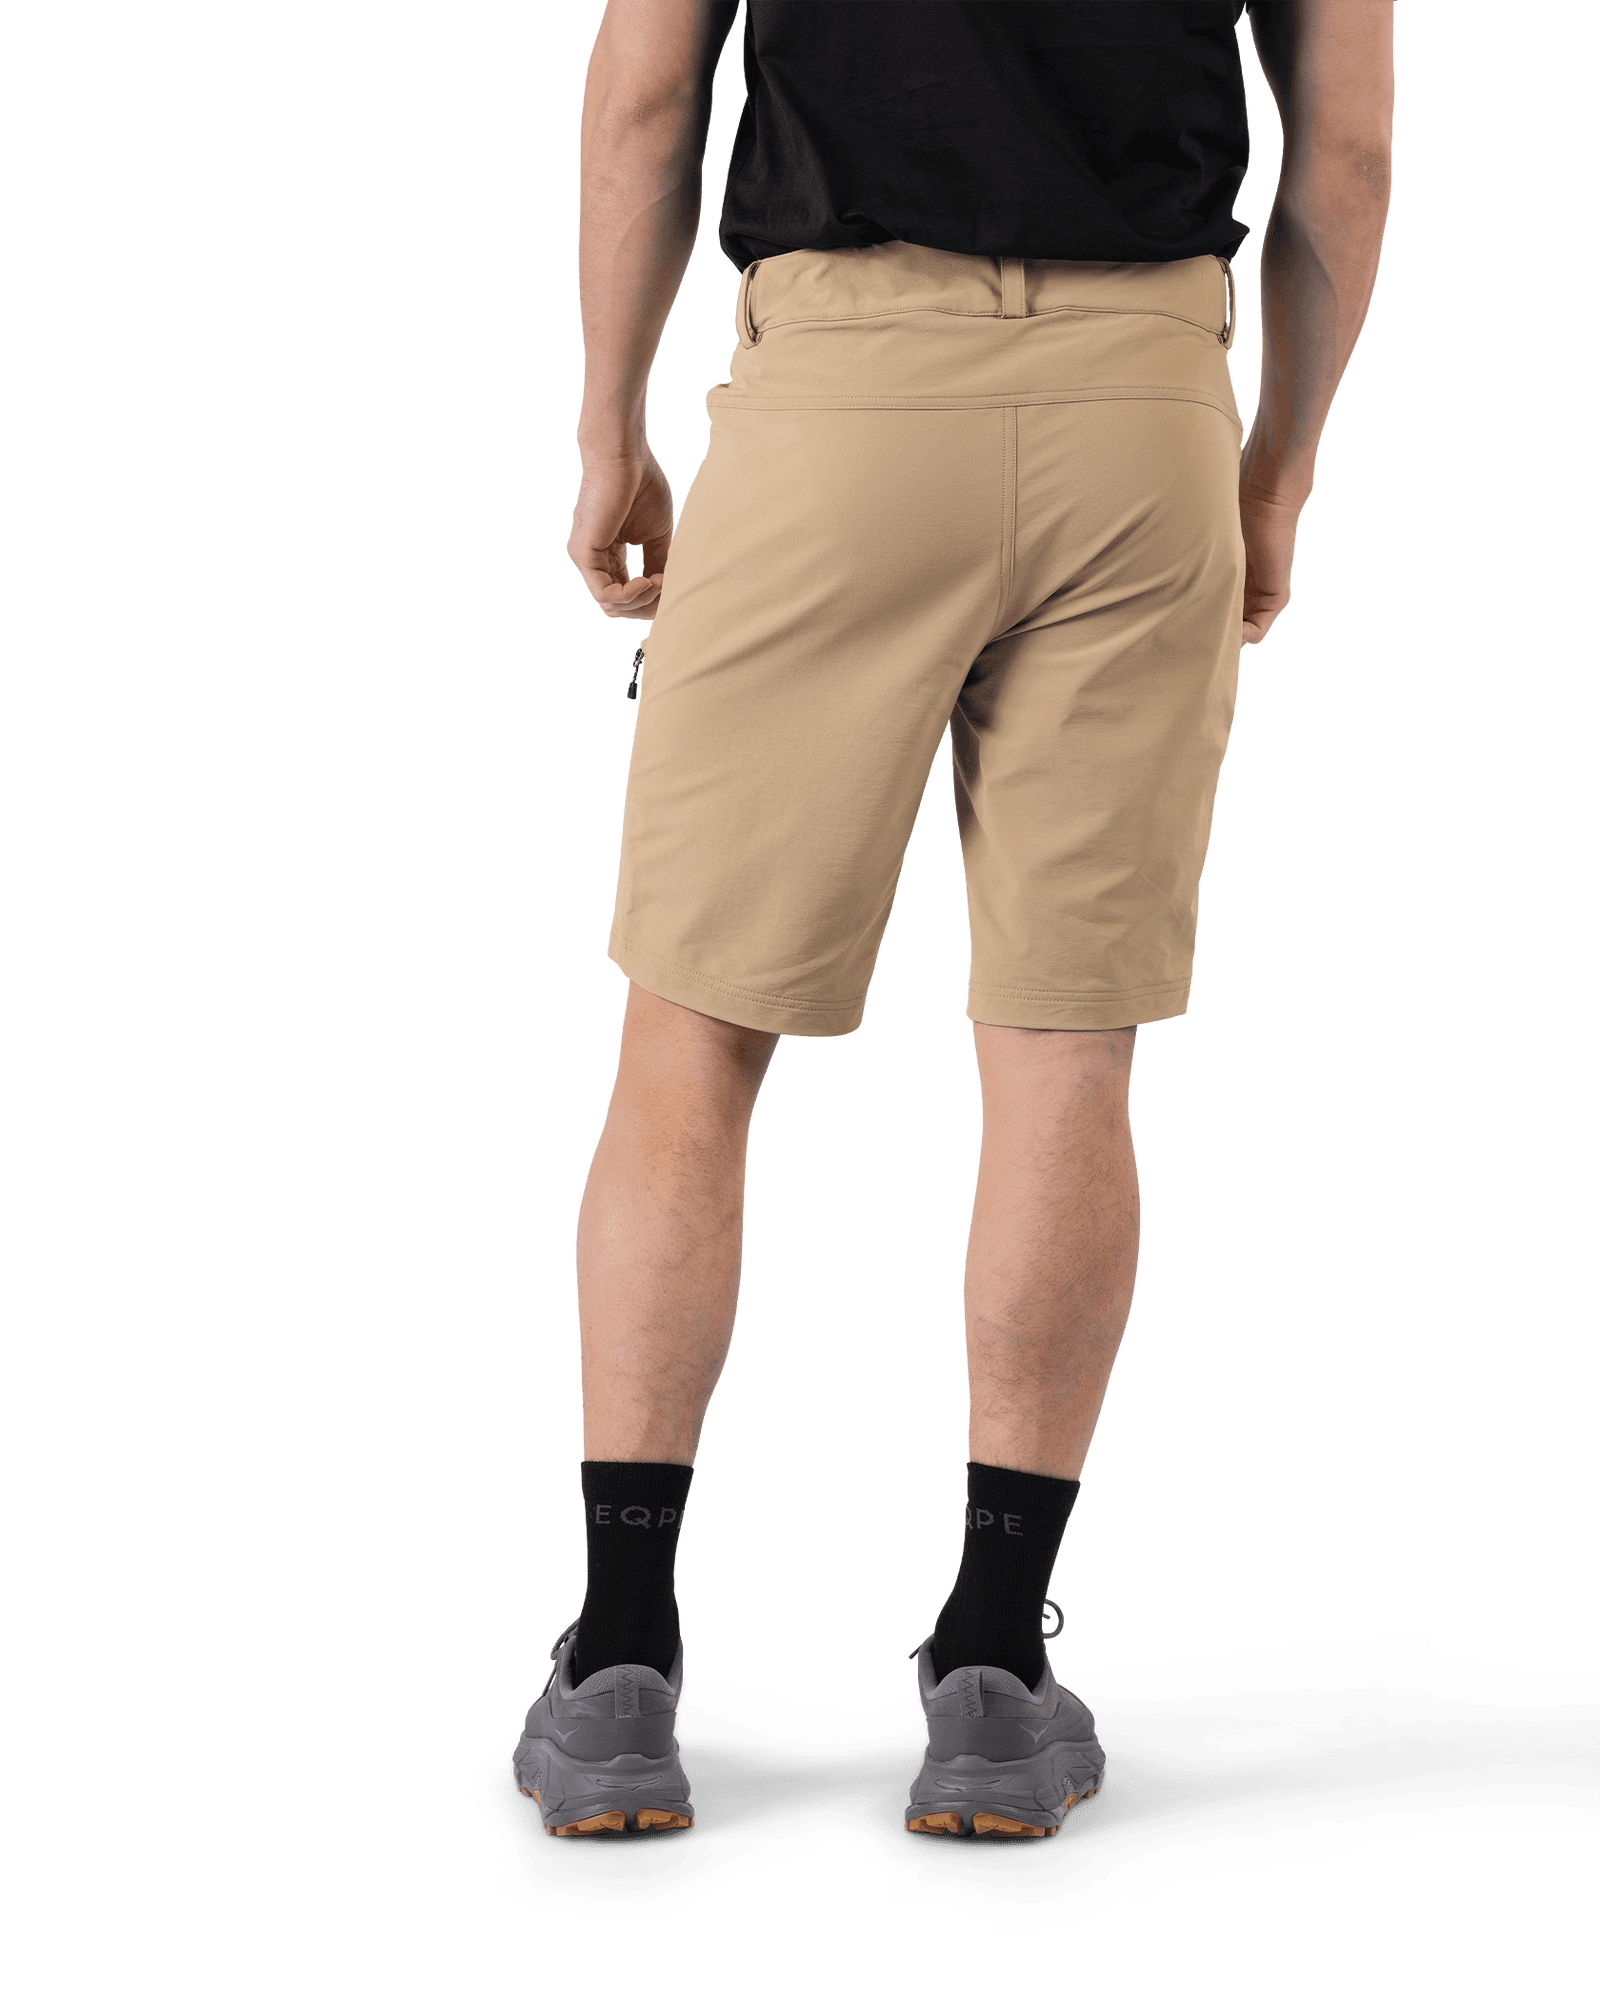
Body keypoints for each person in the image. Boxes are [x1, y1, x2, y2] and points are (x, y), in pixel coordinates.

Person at [514, 0, 1396, 1840]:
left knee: (690, 1042)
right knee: (1067, 1057)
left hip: (837, 404)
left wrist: (608, 428)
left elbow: (647, 98)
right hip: (1145, 416)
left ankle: (615, 1676)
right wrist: (1276, 474)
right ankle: (995, 1679)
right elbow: (1348, 150)